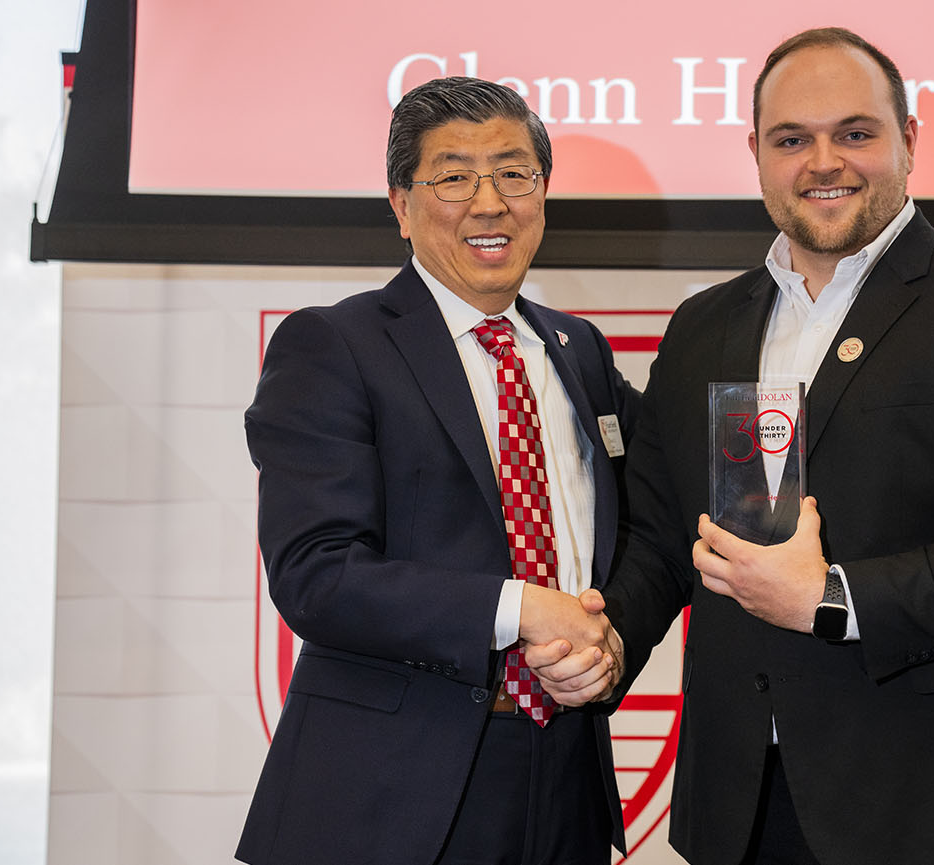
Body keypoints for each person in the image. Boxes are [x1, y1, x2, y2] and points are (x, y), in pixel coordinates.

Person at [534, 26, 934, 865]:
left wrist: (831, 598)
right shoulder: (704, 326)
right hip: (746, 808)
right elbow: (663, 538)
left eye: (855, 133)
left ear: (909, 143)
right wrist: (608, 636)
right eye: (792, 139)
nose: (823, 161)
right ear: (757, 155)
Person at [235, 76, 636, 865]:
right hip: (390, 796)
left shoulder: (577, 351)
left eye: (514, 174)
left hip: (565, 782)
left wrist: (606, 638)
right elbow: (316, 573)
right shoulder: (334, 346)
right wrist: (522, 607)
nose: (489, 202)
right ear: (400, 204)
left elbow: (643, 516)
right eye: (453, 177)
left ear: (543, 194)